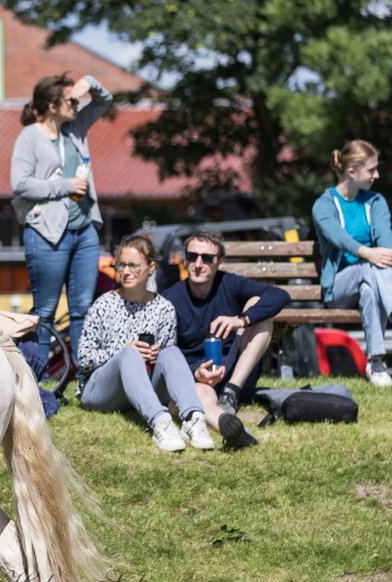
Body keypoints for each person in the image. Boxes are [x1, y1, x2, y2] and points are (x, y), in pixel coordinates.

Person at [77, 235, 215, 453]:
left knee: (170, 351)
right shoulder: (103, 305)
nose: (126, 271)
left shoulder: (164, 308)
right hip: (101, 391)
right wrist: (124, 351)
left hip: (144, 388)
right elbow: (84, 360)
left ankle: (193, 418)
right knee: (129, 356)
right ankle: (161, 422)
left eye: (133, 265)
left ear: (151, 267)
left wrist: (154, 355)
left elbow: (170, 364)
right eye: (122, 265)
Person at [11, 72, 113, 362]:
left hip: (84, 231)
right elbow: (20, 183)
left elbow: (106, 100)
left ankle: (83, 376)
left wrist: (89, 82)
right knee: (45, 310)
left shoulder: (76, 127)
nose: (77, 104)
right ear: (52, 106)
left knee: (82, 308)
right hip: (47, 232)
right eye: (70, 99)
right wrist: (65, 186)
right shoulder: (29, 137)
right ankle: (38, 376)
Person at [162, 232, 289, 448]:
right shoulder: (170, 299)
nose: (198, 264)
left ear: (219, 262)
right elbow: (168, 353)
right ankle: (231, 428)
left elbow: (280, 296)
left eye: (206, 258)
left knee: (259, 307)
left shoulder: (229, 283)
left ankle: (231, 394)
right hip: (199, 379)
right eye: (192, 257)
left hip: (236, 376)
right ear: (185, 260)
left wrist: (241, 320)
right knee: (201, 393)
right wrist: (196, 372)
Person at [311, 139, 392, 387]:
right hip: (338, 287)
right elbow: (338, 238)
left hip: (374, 285)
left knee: (369, 288)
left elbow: (386, 246)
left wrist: (378, 254)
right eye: (371, 170)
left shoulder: (375, 201)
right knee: (369, 266)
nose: (376, 175)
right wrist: (368, 253)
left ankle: (376, 362)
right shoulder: (324, 205)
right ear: (351, 171)